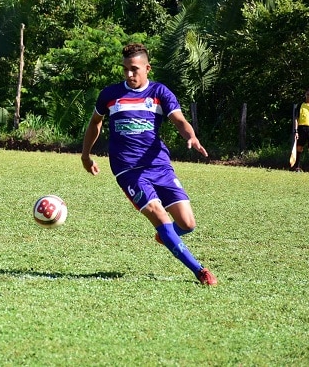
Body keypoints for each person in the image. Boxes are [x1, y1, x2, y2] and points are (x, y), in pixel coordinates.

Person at [80, 43, 217, 286]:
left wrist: (191, 136)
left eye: (134, 69)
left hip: (159, 165)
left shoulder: (159, 92)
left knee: (187, 224)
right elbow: (95, 123)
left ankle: (165, 236)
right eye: (125, 69)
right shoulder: (110, 95)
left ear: (147, 68)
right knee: (159, 214)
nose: (129, 74)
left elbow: (179, 120)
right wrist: (85, 155)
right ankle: (200, 271)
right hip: (127, 169)